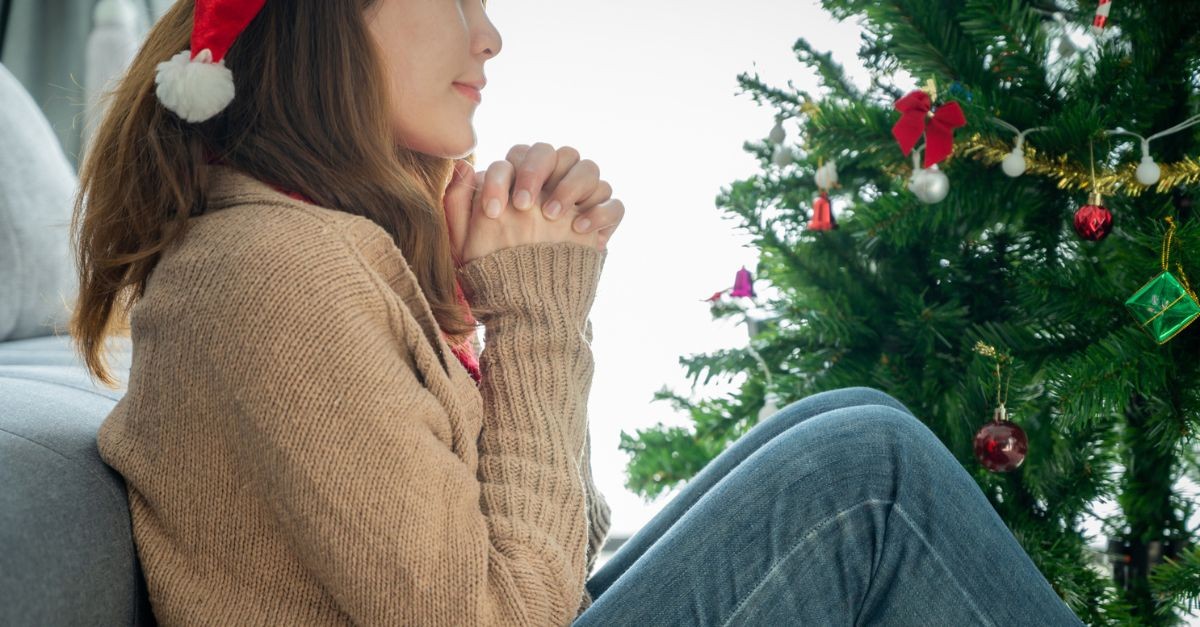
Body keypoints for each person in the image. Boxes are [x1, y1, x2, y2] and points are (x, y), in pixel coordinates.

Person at [66, 1, 1083, 625]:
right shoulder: (274, 274)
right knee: (866, 472)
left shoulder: (311, 250)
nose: (490, 34)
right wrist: (535, 320)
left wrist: (474, 309)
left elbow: (557, 554)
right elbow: (507, 616)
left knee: (841, 421)